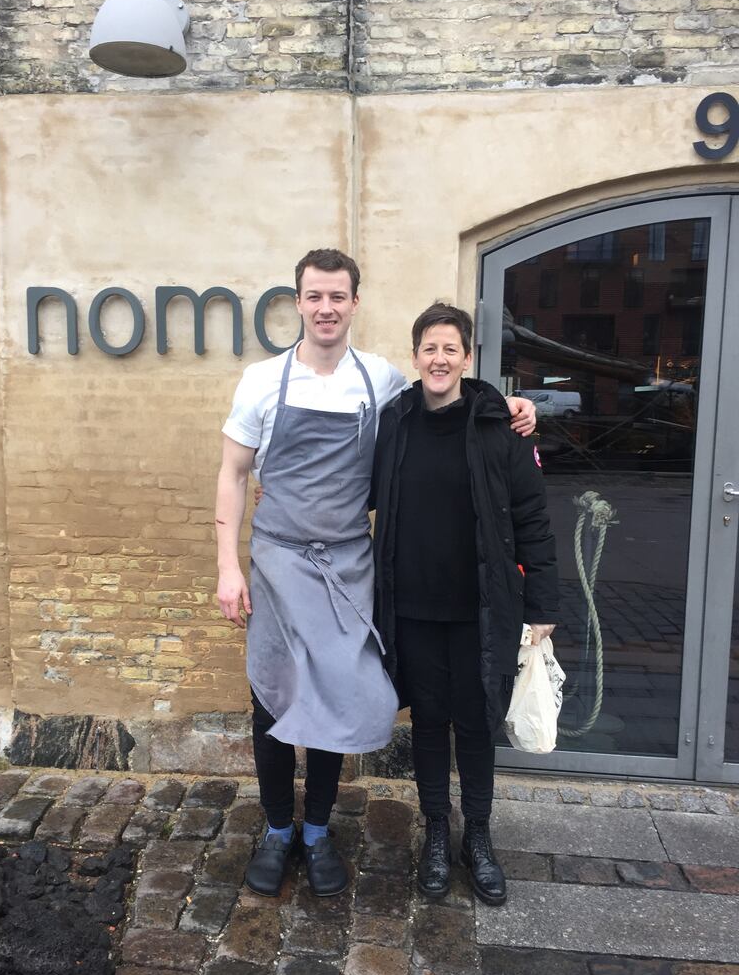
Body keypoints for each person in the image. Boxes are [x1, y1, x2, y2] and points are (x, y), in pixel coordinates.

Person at [215, 251, 536, 899]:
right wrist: (227, 567)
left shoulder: (381, 381)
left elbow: (446, 402)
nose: (326, 308)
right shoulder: (260, 380)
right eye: (314, 296)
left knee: (334, 694)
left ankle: (316, 832)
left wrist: (510, 408)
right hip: (277, 560)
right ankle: (278, 830)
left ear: (355, 303)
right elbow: (232, 475)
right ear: (298, 302)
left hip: (348, 561)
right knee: (273, 699)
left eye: (338, 296)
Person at [371, 302, 559, 907]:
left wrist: (543, 605)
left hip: (482, 607)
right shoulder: (396, 420)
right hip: (414, 606)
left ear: (467, 358)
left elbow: (532, 518)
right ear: (416, 356)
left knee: (476, 722)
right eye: (429, 348)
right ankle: (433, 832)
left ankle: (477, 837)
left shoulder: (498, 425)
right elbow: (365, 494)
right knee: (427, 722)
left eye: (451, 348)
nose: (439, 358)